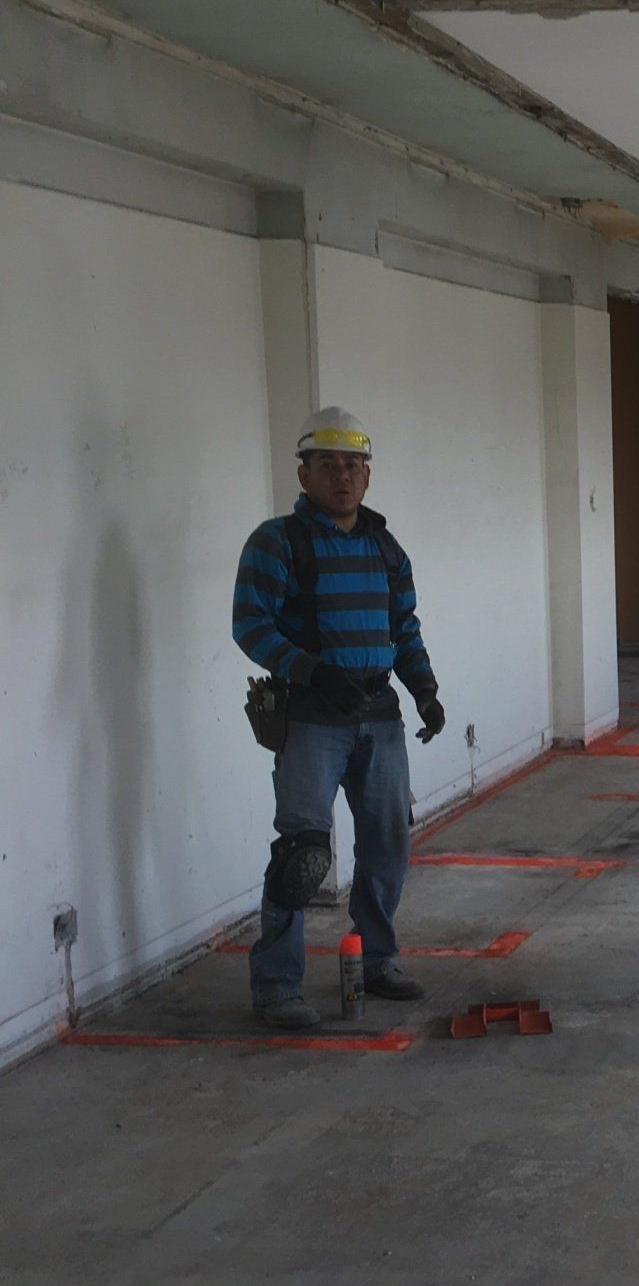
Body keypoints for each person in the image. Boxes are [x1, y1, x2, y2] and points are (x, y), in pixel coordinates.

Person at [231, 410, 446, 1030]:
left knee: (388, 843)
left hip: (380, 717)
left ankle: (376, 961)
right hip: (312, 720)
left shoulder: (385, 546)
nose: (342, 476)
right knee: (302, 853)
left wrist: (425, 690)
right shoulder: (277, 542)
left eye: (352, 465)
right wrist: (307, 670)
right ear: (305, 473)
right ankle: (275, 986)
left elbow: (404, 628)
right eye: (328, 464)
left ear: (368, 475)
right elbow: (250, 624)